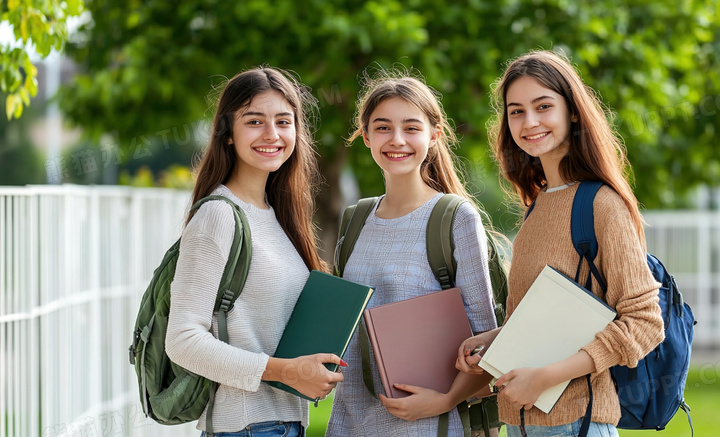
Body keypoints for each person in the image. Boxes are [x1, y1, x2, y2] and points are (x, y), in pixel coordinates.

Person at [455, 50, 666, 437]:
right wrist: (493, 341)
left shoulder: (602, 204)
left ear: (571, 111)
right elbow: (549, 321)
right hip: (523, 423)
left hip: (577, 423)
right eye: (516, 111)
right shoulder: (538, 207)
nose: (529, 122)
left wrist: (546, 377)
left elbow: (645, 322)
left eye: (543, 106)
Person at [165, 67, 344, 437]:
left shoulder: (276, 215)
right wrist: (285, 371)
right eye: (254, 121)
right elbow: (182, 339)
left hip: (282, 424)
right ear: (227, 133)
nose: (272, 134)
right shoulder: (218, 214)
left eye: (283, 121)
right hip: (246, 426)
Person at [325, 71, 498, 436]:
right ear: (366, 135)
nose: (397, 140)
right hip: (350, 423)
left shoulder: (454, 218)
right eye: (383, 127)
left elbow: (488, 340)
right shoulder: (355, 220)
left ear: (434, 136)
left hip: (428, 425)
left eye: (411, 127)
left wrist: (444, 401)